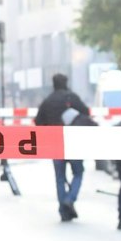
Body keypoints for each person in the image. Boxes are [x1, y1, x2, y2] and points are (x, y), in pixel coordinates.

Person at [35, 74, 88, 221]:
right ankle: (70, 199)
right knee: (78, 172)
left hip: (55, 143)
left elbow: (38, 122)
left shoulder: (48, 101)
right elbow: (86, 113)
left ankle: (63, 210)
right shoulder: (71, 98)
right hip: (73, 141)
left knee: (59, 177)